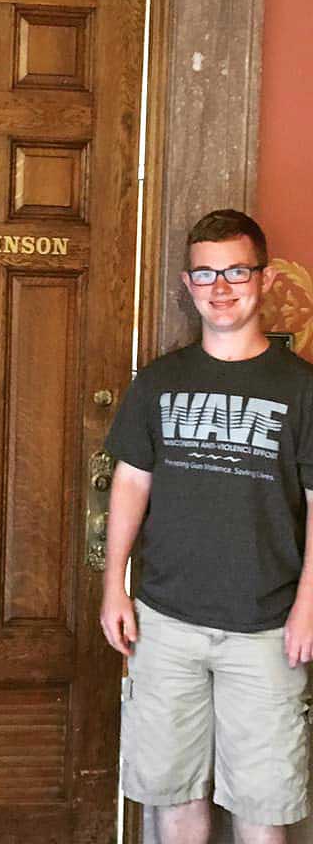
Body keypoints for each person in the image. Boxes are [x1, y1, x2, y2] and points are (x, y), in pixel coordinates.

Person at [100, 209, 313, 844]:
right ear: (188, 284)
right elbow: (132, 482)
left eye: (236, 271)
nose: (221, 288)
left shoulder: (301, 390)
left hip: (267, 629)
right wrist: (115, 584)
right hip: (166, 622)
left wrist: (308, 605)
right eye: (205, 274)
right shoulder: (160, 381)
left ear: (265, 278)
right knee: (173, 799)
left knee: (263, 806)